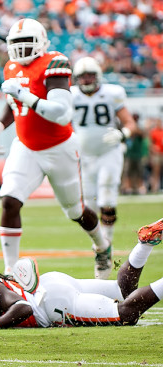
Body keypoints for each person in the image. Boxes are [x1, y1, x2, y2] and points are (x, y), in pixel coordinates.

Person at [0, 18, 111, 278]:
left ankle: (102, 244)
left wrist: (24, 95)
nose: (21, 48)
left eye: (26, 42)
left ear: (41, 43)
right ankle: (10, 270)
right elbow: (14, 103)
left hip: (59, 147)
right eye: (16, 43)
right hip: (26, 147)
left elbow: (61, 113)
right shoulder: (11, 66)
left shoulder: (54, 62)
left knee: (76, 211)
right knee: (9, 200)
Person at [0, 217, 163, 330]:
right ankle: (144, 242)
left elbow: (23, 307)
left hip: (50, 304)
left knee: (126, 314)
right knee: (122, 290)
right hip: (50, 285)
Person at [70, 56, 138, 257]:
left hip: (109, 152)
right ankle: (99, 243)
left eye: (90, 75)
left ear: (98, 76)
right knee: (87, 206)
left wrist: (122, 134)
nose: (87, 80)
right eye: (82, 77)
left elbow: (130, 123)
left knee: (107, 196)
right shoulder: (71, 95)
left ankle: (107, 240)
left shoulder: (112, 93)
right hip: (84, 156)